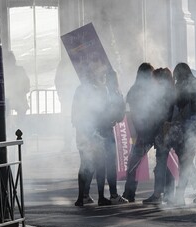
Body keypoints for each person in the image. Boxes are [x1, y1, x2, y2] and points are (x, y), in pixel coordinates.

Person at [72, 56, 128, 206]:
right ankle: (101, 197)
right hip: (99, 131)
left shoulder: (81, 89)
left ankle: (81, 197)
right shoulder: (102, 90)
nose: (102, 73)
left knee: (86, 164)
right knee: (100, 164)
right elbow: (106, 111)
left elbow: (75, 114)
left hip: (84, 131)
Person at [168, 63, 196, 206]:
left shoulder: (181, 88)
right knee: (191, 162)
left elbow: (175, 107)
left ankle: (180, 196)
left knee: (185, 163)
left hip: (187, 129)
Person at [141, 67, 177, 204]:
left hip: (163, 134)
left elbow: (159, 116)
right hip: (169, 134)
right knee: (167, 166)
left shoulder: (163, 95)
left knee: (161, 165)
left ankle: (158, 195)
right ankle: (169, 195)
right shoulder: (172, 92)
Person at [122, 63, 155, 202]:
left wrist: (133, 133)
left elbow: (128, 114)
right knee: (164, 162)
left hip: (143, 132)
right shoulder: (150, 90)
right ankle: (130, 192)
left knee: (133, 164)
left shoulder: (135, 90)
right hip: (147, 131)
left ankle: (129, 193)